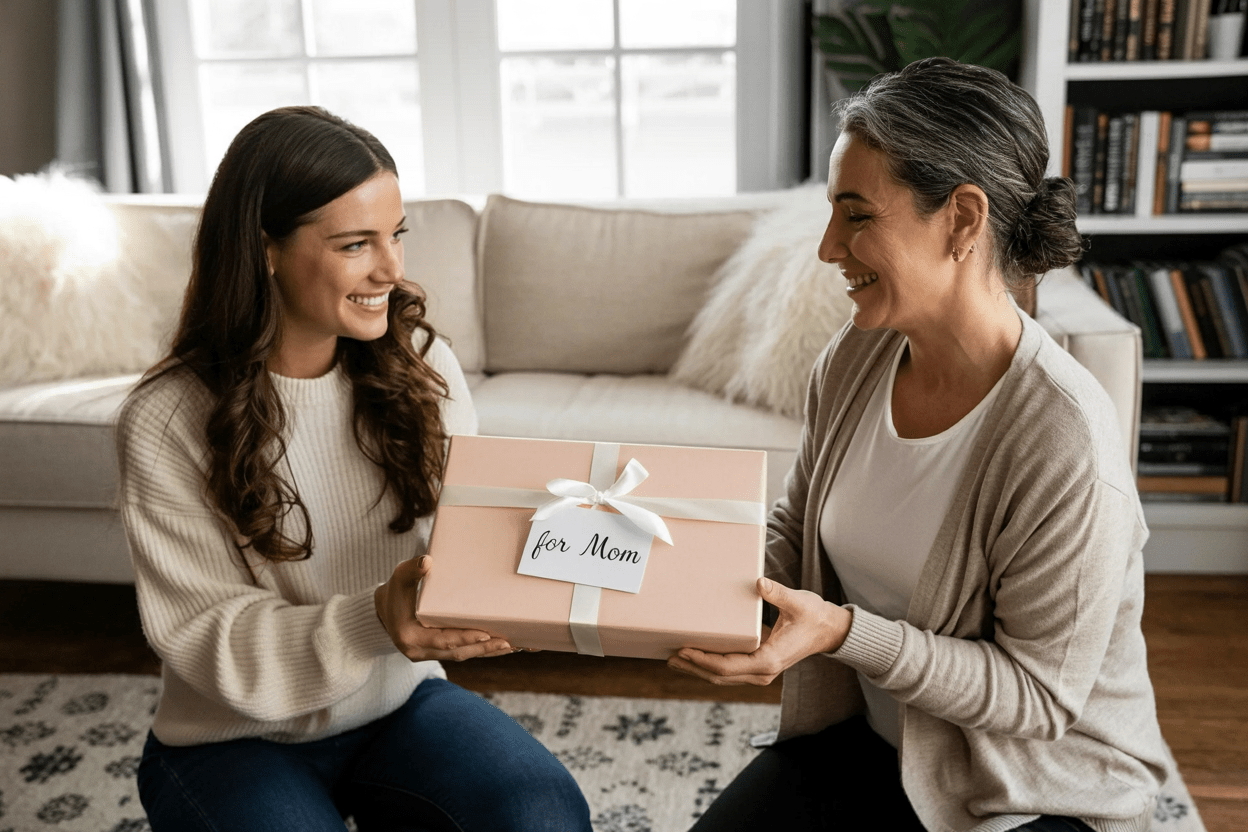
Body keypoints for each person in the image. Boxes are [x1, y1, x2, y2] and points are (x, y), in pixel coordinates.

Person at [669, 58, 1168, 832]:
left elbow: (1038, 698)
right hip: (876, 744)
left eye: (857, 215)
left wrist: (841, 632)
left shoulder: (1063, 438)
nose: (829, 247)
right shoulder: (857, 356)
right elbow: (795, 534)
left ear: (963, 220)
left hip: (1029, 786)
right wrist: (666, 579)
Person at [115, 105, 591, 831]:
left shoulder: (425, 369)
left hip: (395, 703)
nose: (392, 270)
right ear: (265, 249)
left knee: (543, 810)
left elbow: (468, 547)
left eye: (396, 235)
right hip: (228, 738)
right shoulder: (166, 419)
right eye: (354, 243)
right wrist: (372, 620)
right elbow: (204, 638)